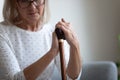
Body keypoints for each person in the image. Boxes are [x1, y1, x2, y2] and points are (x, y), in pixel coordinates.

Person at [0, 0, 82, 80]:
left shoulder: (52, 32)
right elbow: (15, 78)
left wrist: (74, 45)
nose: (32, 7)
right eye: (24, 1)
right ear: (15, 3)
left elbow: (70, 78)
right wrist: (52, 52)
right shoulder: (3, 32)